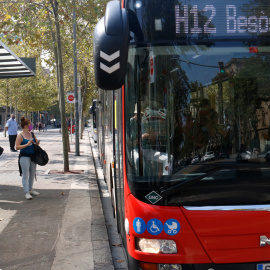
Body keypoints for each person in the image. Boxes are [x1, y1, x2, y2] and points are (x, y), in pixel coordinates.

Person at [15, 117, 40, 200]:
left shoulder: (32, 134)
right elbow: (17, 147)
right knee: (25, 175)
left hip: (33, 156)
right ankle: (26, 192)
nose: (31, 126)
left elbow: (36, 143)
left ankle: (30, 189)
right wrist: (26, 144)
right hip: (24, 157)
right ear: (26, 126)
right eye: (30, 125)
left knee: (32, 173)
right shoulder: (20, 135)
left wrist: (37, 143)